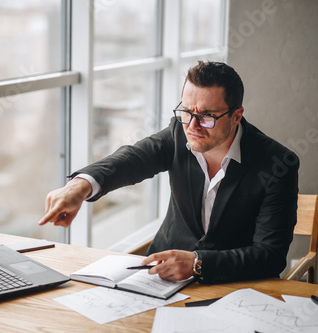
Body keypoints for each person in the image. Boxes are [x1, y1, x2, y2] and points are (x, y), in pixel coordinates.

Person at [39, 61, 299, 284]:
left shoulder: (277, 163)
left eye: (207, 115)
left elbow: (269, 256)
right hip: (157, 278)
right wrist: (81, 185)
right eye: (187, 111)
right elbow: (133, 158)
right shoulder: (179, 130)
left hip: (235, 286)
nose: (193, 126)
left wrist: (198, 263)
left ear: (236, 115)